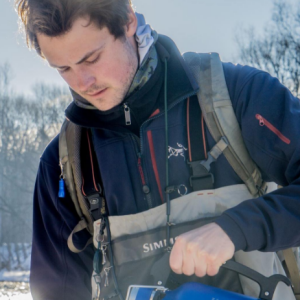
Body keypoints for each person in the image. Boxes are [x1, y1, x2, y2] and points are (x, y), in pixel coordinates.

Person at [15, 0, 300, 299]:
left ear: (127, 21)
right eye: (63, 68)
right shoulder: (63, 166)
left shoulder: (235, 96)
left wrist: (237, 228)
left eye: (92, 58)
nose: (82, 83)